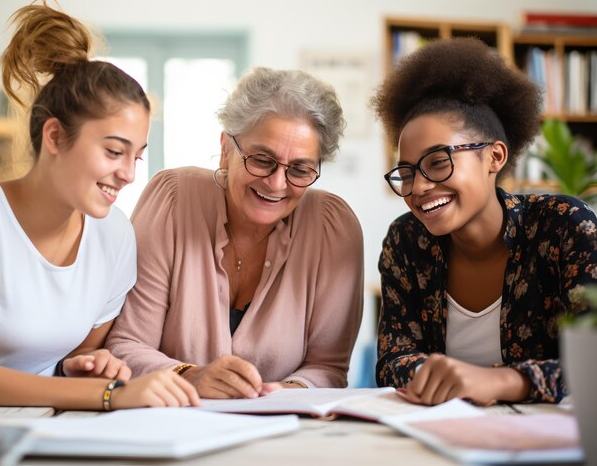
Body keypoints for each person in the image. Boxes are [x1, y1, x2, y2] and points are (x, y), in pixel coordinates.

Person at [0, 0, 199, 410]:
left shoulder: (114, 235)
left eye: (138, 156)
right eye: (114, 151)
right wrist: (105, 394)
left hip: (43, 426)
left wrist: (85, 369)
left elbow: (64, 363)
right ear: (55, 136)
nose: (129, 174)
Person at [106, 67, 364, 398]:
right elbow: (126, 345)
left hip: (281, 431)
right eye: (261, 159)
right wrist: (191, 376)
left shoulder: (333, 228)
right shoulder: (172, 199)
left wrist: (284, 392)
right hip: (174, 423)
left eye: (300, 169)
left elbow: (328, 368)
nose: (276, 184)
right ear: (226, 147)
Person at [371, 37, 597, 406]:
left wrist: (501, 382)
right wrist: (445, 380)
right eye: (407, 172)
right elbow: (392, 360)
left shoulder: (564, 227)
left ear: (494, 157)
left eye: (438, 162)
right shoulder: (406, 240)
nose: (420, 187)